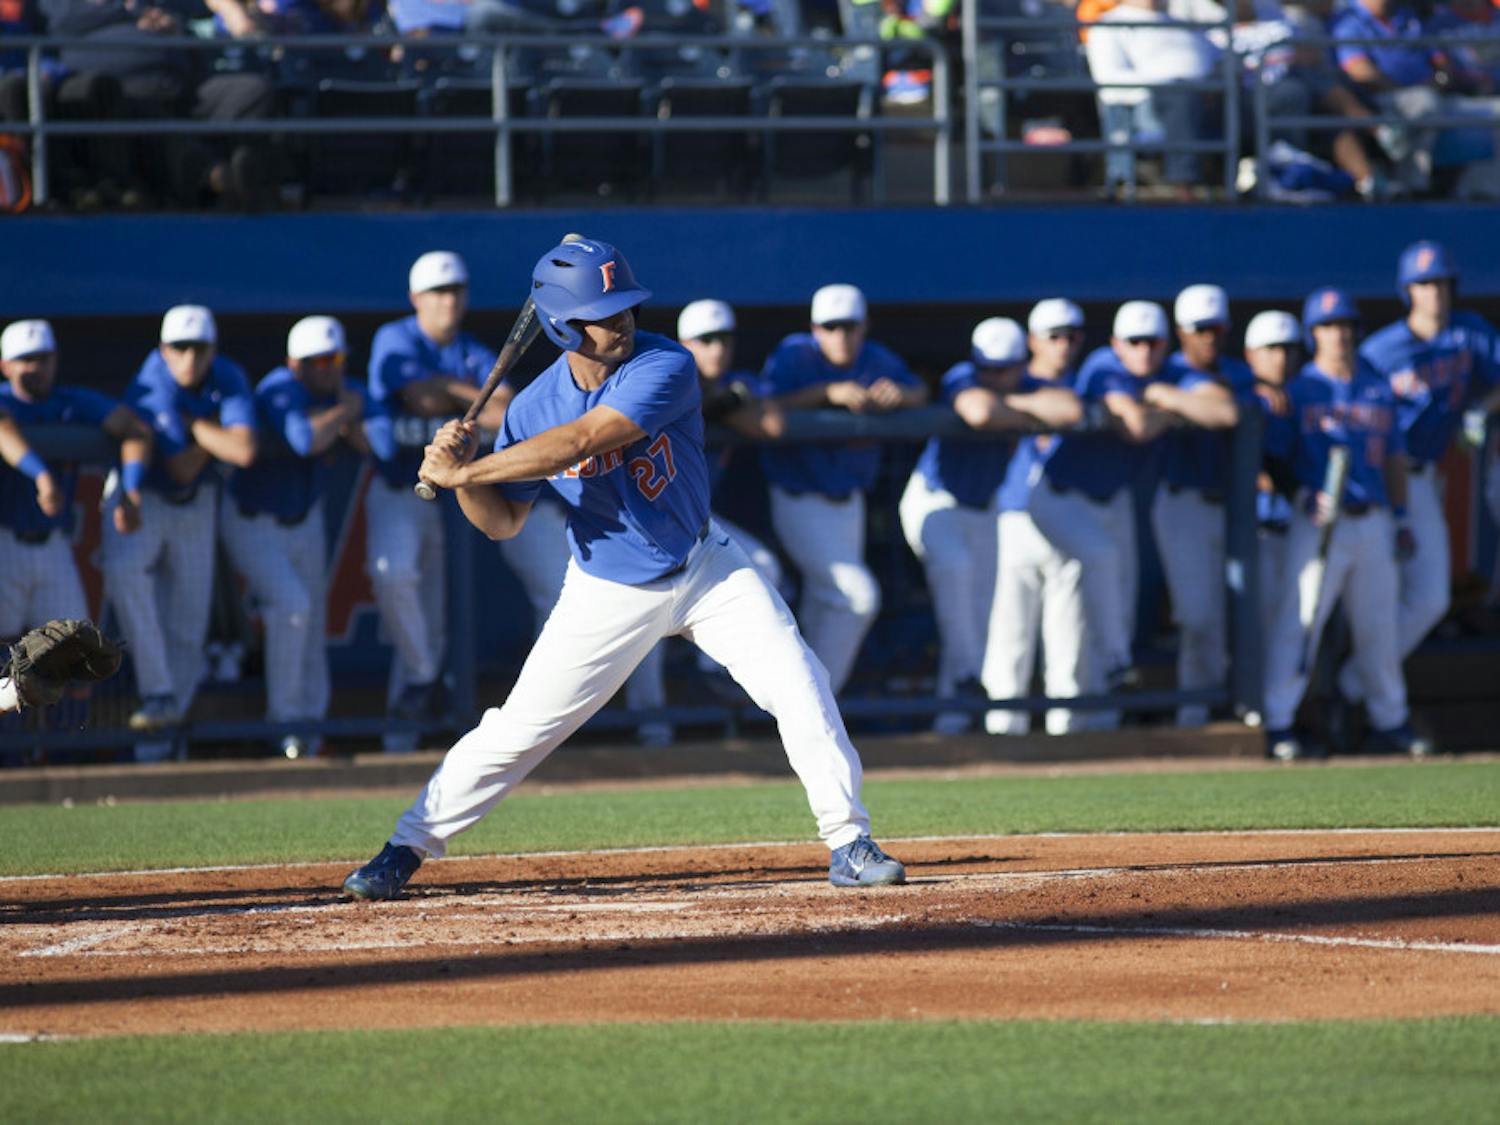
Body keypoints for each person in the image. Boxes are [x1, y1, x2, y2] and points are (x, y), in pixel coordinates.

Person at [341, 237, 906, 900]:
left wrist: (468, 467)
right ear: (561, 326)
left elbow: (584, 440)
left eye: (625, 306)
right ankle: (405, 846)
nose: (623, 321)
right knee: (518, 729)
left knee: (800, 680)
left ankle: (849, 841)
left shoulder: (665, 363)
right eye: (605, 313)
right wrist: (464, 475)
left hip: (706, 566)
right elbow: (503, 521)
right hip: (606, 588)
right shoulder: (528, 411)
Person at [1261, 287, 1427, 761]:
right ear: (1314, 334)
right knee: (1301, 619)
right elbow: (1273, 457)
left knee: (1379, 627)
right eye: (1329, 326)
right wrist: (1299, 492)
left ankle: (1389, 720)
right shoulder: (1299, 391)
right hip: (1318, 520)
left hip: (1371, 519)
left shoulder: (1376, 386)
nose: (1340, 334)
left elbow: (1394, 457)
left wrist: (1400, 517)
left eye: (1346, 325)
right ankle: (1278, 723)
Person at [1337, 241, 1500, 713]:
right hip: (1373, 481)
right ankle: (1348, 700)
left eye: (1443, 283)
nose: (1436, 293)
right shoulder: (1382, 350)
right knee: (1367, 602)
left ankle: (1352, 686)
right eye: (1425, 284)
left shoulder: (1469, 334)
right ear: (1408, 290)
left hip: (1421, 479)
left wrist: (1481, 408)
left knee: (1429, 599)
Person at [899, 316, 1080, 734]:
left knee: (978, 618)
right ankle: (964, 679)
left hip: (985, 510)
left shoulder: (1027, 384)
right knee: (956, 568)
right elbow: (978, 411)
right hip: (934, 500)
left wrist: (1012, 408)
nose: (994, 377)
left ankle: (952, 723)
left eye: (1004, 369)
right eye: (988, 369)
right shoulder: (962, 376)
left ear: (1022, 364)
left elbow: (1069, 410)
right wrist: (1022, 411)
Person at [366, 250, 506, 749]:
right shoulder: (395, 337)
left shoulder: (470, 347)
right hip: (398, 488)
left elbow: (506, 406)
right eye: (437, 293)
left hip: (447, 501)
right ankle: (425, 677)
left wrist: (449, 389)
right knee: (394, 575)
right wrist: (454, 388)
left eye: (455, 291)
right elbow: (419, 397)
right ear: (416, 298)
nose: (448, 301)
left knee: (437, 614)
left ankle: (404, 735)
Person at [758, 283, 927, 695]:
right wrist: (826, 393)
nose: (841, 337)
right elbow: (764, 408)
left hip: (848, 501)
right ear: (815, 328)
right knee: (857, 596)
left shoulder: (875, 358)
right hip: (800, 497)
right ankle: (812, 701)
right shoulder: (795, 353)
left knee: (825, 604)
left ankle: (799, 708)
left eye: (849, 327)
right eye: (831, 328)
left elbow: (922, 391)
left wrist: (901, 395)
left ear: (864, 326)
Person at [102, 305, 256, 749]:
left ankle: (165, 735)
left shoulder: (227, 374)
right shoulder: (151, 382)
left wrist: (197, 428)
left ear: (213, 350)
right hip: (141, 498)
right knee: (127, 578)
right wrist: (214, 436)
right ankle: (158, 693)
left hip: (195, 505)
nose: (189, 358)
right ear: (163, 350)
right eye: (180, 348)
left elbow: (244, 451)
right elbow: (182, 465)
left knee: (189, 623)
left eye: (199, 348)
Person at [1025, 301, 1179, 723]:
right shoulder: (1102, 365)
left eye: (1152, 342)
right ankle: (1116, 663)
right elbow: (1137, 426)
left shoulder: (1170, 374)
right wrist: (1169, 407)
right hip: (1059, 497)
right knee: (1092, 576)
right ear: (1117, 343)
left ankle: (1105, 717)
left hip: (1113, 501)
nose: (1144, 350)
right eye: (1135, 342)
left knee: (1111, 601)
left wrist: (1164, 397)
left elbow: (1222, 409)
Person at [221, 316, 366, 760]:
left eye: (334, 360)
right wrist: (344, 411)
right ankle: (285, 725)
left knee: (312, 616)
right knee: (292, 608)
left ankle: (312, 725)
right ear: (294, 363)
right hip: (254, 520)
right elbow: (305, 439)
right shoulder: (278, 388)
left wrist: (347, 416)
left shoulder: (337, 390)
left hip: (304, 518)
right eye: (315, 361)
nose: (326, 369)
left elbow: (372, 442)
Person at [0, 319, 151, 725]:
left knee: (76, 647)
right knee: (3, 660)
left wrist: (131, 492)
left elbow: (134, 429)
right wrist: (42, 475)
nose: (36, 367)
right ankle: (11, 756)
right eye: (25, 359)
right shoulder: (4, 401)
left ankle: (68, 747)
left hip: (52, 545)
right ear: (5, 365)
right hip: (4, 542)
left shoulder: (71, 402)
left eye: (43, 358)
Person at [39, 0, 278, 209]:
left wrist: (175, 28)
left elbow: (194, 36)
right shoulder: (60, 5)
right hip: (122, 91)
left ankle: (249, 174)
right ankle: (216, 179)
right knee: (149, 117)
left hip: (182, 86)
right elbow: (62, 25)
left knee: (252, 90)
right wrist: (131, 13)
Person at [983, 298, 1091, 736]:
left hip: (1063, 517)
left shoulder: (1074, 382)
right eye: (1053, 336)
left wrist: (1023, 405)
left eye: (1070, 336)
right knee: (1009, 634)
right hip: (1010, 515)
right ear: (1033, 341)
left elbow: (1070, 409)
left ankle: (1067, 731)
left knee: (1067, 632)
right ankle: (1001, 734)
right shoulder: (1006, 373)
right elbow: (979, 406)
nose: (1062, 345)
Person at [1150, 284, 1245, 726]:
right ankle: (1196, 707)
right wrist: (1176, 398)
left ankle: (1230, 704)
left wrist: (1179, 402)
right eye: (1199, 329)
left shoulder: (1238, 373)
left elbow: (1233, 409)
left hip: (1237, 508)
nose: (1209, 337)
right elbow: (1221, 410)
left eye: (1216, 329)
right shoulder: (1162, 369)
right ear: (1181, 332)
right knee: (1198, 614)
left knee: (1242, 611)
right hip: (1181, 503)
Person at [1083, 0, 1222, 197]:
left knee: (1255, 98)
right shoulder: (1109, 24)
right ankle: (1184, 185)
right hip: (1147, 107)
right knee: (1180, 97)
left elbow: (1217, 57)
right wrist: (1169, 82)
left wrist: (1213, 84)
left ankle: (1271, 175)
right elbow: (1109, 80)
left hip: (1207, 97)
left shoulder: (1179, 22)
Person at [1243, 308, 1302, 637]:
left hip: (1298, 524)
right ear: (1251, 354)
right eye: (1271, 349)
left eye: (1288, 349)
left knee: (1295, 622)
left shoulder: (1309, 393)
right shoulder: (1237, 389)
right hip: (1253, 530)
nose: (1280, 358)